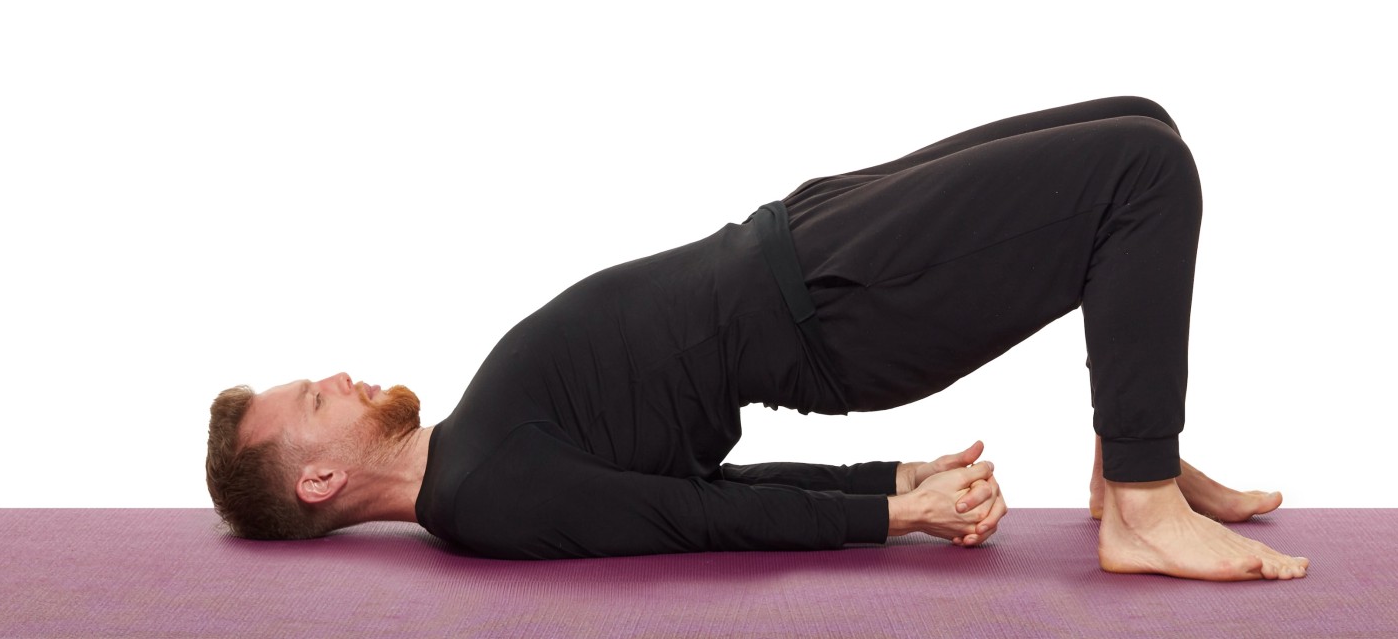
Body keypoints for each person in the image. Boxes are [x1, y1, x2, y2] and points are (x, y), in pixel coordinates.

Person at [205, 96, 1309, 581]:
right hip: (840, 308)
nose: (339, 378)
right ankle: (1147, 505)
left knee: (1139, 119)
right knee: (1143, 175)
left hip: (811, 241)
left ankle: (1131, 463)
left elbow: (683, 472)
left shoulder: (473, 447)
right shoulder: (485, 498)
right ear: (319, 482)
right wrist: (893, 514)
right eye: (315, 399)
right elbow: (696, 514)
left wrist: (893, 473)